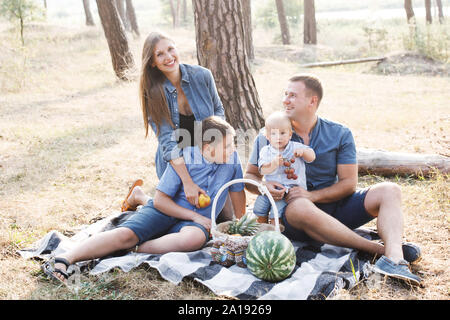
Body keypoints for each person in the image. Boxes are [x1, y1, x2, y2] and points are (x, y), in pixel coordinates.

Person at [244, 74, 422, 285]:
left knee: (390, 190)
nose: (285, 100)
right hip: (295, 215)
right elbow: (250, 178)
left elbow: (348, 183)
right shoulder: (270, 135)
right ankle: (378, 250)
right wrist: (264, 186)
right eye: (285, 95)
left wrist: (312, 195)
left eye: (292, 95)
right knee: (300, 205)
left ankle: (394, 259)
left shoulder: (339, 133)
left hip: (337, 208)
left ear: (312, 101)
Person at [42, 116, 246, 284]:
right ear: (206, 148)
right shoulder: (184, 159)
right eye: (227, 146)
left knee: (193, 239)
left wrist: (242, 228)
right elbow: (160, 201)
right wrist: (195, 215)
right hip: (167, 209)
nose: (233, 149)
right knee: (125, 234)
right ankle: (65, 258)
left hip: (194, 223)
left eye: (233, 144)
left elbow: (237, 191)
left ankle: (135, 246)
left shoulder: (231, 160)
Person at [134, 31, 225, 210]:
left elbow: (218, 110)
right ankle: (140, 197)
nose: (168, 57)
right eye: (159, 54)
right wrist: (187, 182)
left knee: (217, 212)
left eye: (170, 49)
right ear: (152, 62)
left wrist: (215, 143)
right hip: (177, 162)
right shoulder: (153, 93)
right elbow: (167, 142)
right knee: (180, 211)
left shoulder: (202, 75)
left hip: (206, 154)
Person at [252, 111, 315, 226]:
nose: (278, 137)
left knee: (277, 211)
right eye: (274, 134)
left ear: (290, 134)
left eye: (282, 133)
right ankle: (260, 229)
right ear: (267, 136)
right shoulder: (265, 151)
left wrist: (304, 152)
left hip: (290, 191)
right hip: (270, 189)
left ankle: (275, 231)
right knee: (259, 207)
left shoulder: (295, 147)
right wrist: (273, 164)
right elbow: (262, 170)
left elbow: (312, 157)